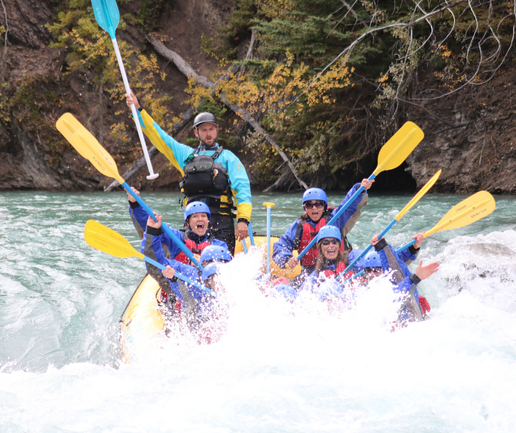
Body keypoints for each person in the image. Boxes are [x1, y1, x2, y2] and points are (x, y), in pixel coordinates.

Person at [126, 92, 252, 254]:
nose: (208, 133)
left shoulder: (228, 158)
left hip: (222, 223)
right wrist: (138, 110)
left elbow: (242, 190)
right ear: (196, 132)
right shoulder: (186, 155)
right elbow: (160, 137)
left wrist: (243, 219)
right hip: (194, 223)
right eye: (204, 130)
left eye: (211, 129)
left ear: (217, 130)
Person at [273, 180, 374, 286]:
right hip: (310, 271)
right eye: (309, 205)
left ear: (324, 206)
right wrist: (287, 258)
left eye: (318, 204)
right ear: (305, 208)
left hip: (338, 266)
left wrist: (359, 189)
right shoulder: (299, 227)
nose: (314, 208)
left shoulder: (334, 220)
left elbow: (347, 205)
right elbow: (280, 245)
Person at [129, 189, 228, 264]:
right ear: (188, 223)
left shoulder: (218, 245)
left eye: (203, 216)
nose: (200, 219)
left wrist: (206, 263)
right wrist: (135, 205)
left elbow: (224, 268)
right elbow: (151, 224)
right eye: (195, 216)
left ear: (208, 221)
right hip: (179, 285)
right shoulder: (177, 238)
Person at [369, 234, 439, 324]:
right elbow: (392, 295)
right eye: (369, 270)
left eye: (377, 269)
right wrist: (415, 278)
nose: (372, 274)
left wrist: (413, 247)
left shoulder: (391, 274)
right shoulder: (369, 289)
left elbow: (395, 260)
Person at [298, 225, 353, 301]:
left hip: (350, 301)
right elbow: (301, 296)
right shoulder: (317, 275)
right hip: (333, 305)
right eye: (326, 243)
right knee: (327, 288)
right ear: (320, 247)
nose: (331, 246)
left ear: (339, 245)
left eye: (334, 242)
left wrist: (376, 245)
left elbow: (372, 258)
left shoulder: (352, 259)